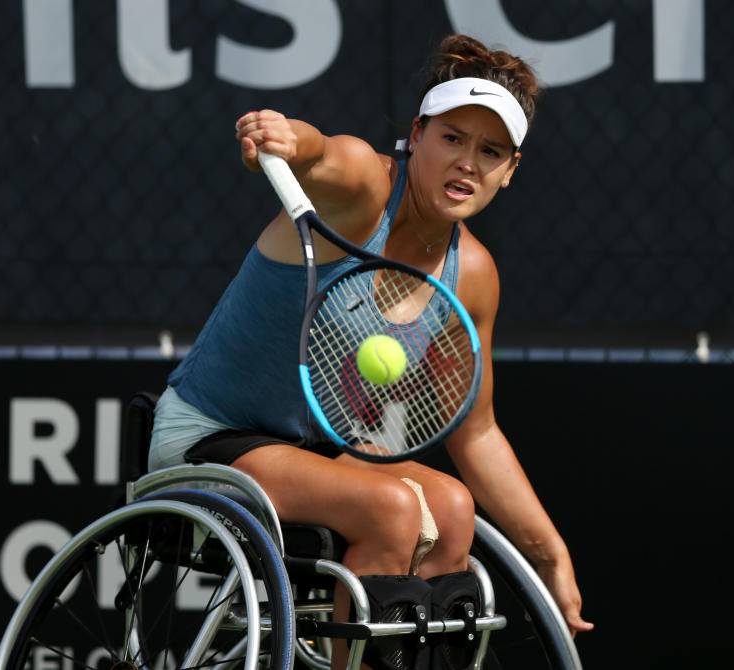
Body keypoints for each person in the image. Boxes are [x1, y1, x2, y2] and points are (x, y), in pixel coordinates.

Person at [149, 33, 593, 664]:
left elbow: (477, 433)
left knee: (452, 506)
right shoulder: (363, 192)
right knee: (390, 509)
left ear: (510, 170)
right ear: (416, 135)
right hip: (209, 435)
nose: (467, 162)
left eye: (490, 151)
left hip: (318, 452)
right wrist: (282, 139)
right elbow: (322, 152)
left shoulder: (472, 277)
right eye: (452, 138)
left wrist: (550, 554)